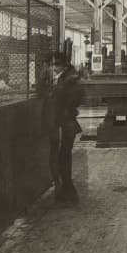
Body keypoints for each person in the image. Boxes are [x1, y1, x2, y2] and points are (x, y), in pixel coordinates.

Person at [41, 51, 82, 205]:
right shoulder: (59, 78)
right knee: (61, 156)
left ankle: (67, 192)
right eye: (51, 65)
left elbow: (75, 98)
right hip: (59, 123)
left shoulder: (69, 79)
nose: (53, 68)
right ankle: (65, 191)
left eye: (56, 65)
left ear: (64, 65)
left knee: (62, 156)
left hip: (64, 123)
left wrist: (65, 111)